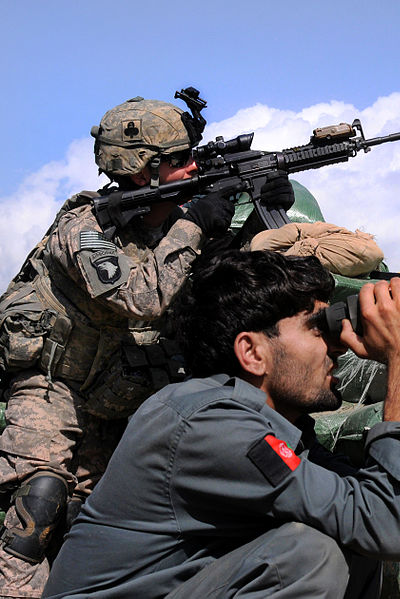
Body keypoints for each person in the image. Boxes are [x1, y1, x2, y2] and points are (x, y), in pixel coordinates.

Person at [0, 90, 294, 599]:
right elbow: (142, 298)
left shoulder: (176, 228)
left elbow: (208, 291)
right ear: (140, 171)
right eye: (178, 161)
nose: (192, 167)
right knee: (39, 502)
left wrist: (255, 212)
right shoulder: (84, 228)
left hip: (119, 396)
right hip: (52, 385)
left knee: (89, 519)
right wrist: (194, 222)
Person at [43, 249, 400, 599]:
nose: (337, 343)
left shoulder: (268, 424)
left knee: (353, 543)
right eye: (316, 327)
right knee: (307, 555)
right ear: (252, 352)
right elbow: (390, 522)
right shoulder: (211, 426)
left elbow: (372, 512)